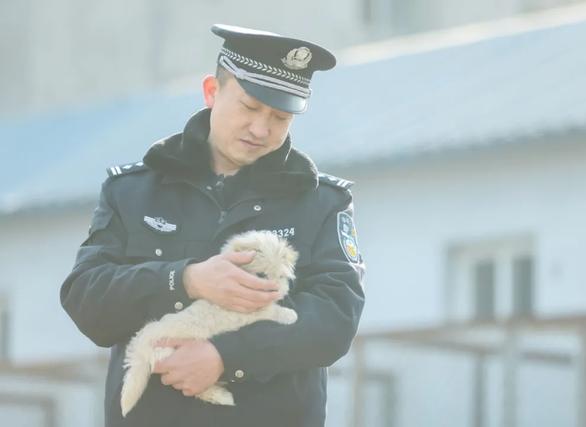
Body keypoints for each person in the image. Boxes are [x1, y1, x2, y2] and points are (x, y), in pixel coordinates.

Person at [60, 24, 365, 427]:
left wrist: (227, 357)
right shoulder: (133, 191)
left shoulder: (321, 201)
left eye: (280, 116)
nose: (261, 129)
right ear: (211, 91)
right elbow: (86, 300)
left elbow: (335, 320)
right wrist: (183, 280)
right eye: (250, 106)